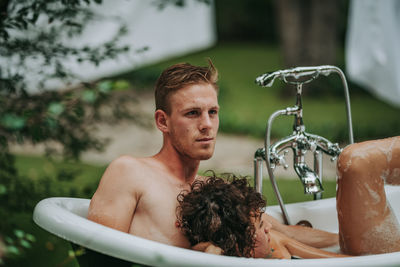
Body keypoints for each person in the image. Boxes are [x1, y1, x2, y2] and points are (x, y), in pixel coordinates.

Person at [87, 59, 338, 249]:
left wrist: (358, 249)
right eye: (192, 113)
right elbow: (95, 254)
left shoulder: (210, 193)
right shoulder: (130, 173)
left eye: (213, 112)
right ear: (163, 121)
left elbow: (285, 233)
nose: (207, 124)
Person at [177, 136, 400, 258]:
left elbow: (341, 258)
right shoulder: (268, 247)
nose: (268, 228)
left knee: (356, 161)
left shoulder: (274, 242)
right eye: (260, 225)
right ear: (236, 243)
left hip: (375, 254)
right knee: (356, 161)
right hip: (380, 254)